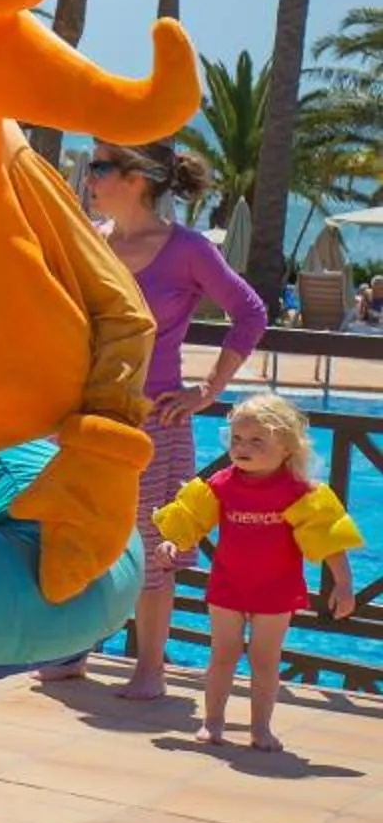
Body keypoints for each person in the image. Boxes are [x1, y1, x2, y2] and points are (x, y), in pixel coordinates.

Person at [72, 138, 265, 701]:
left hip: (155, 419)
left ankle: (150, 670)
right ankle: (73, 653)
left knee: (153, 547)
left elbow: (249, 312)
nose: (90, 179)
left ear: (137, 178)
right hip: (92, 416)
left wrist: (208, 389)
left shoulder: (186, 250)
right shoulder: (93, 242)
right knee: (84, 535)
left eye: (100, 168)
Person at [154, 393, 363, 752]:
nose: (242, 447)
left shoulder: (298, 492)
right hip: (228, 584)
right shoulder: (221, 483)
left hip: (275, 590)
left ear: (286, 448)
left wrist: (343, 584)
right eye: (236, 439)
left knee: (264, 660)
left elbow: (329, 537)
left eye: (255, 440)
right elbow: (190, 520)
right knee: (222, 654)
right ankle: (213, 721)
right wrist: (172, 543)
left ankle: (260, 728)